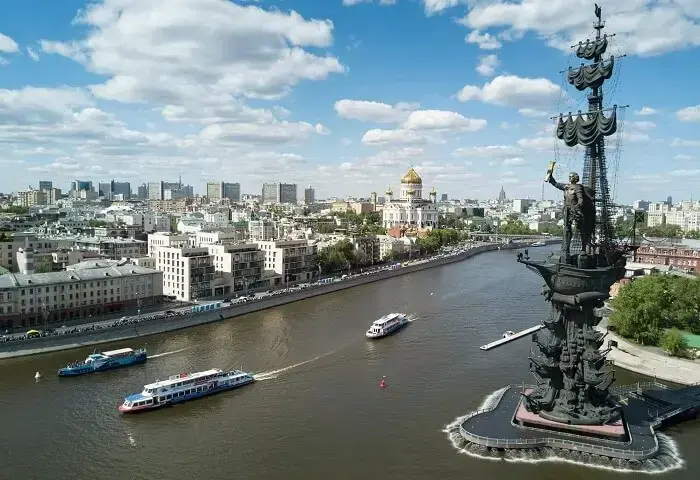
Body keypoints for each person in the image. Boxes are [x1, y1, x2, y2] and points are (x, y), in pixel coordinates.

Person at [545, 171, 595, 258]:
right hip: (567, 210)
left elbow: (581, 200)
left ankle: (583, 249)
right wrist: (550, 175)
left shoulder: (578, 188)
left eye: (572, 176)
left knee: (581, 230)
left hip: (576, 210)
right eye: (569, 176)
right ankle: (566, 249)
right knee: (567, 230)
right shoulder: (566, 187)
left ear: (575, 178)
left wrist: (577, 206)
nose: (570, 177)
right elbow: (555, 184)